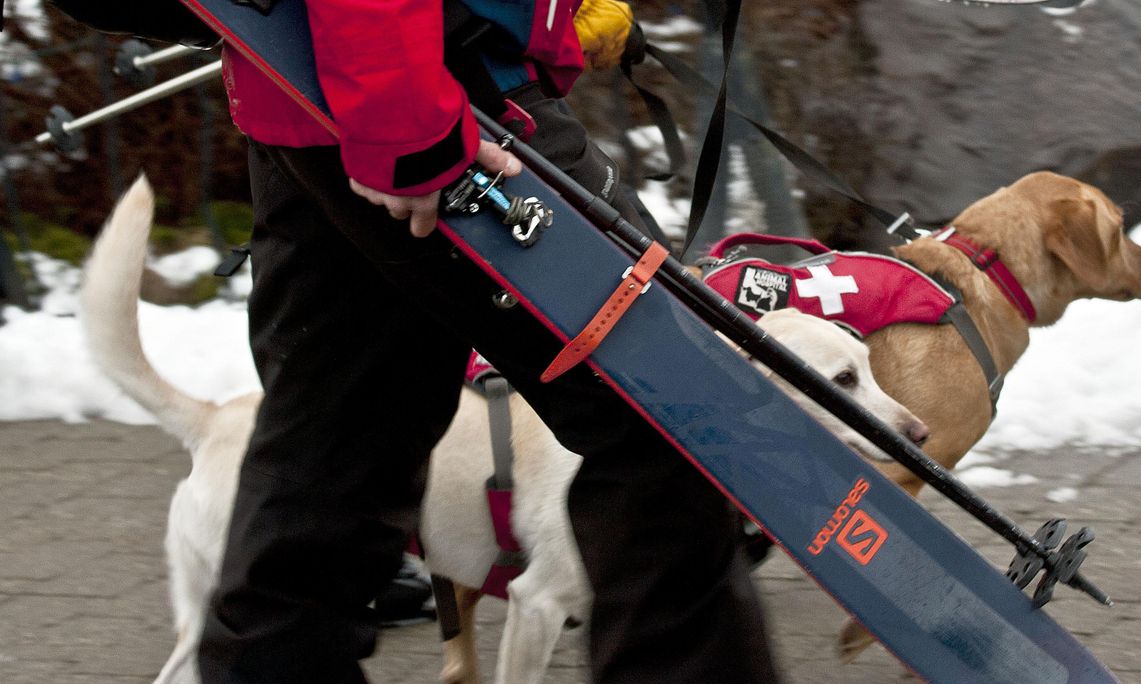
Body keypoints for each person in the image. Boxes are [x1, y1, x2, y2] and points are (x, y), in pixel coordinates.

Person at [196, 1, 780, 682]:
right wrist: (408, 125)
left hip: (310, 82)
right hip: (425, 86)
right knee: (672, 410)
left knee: (333, 454)